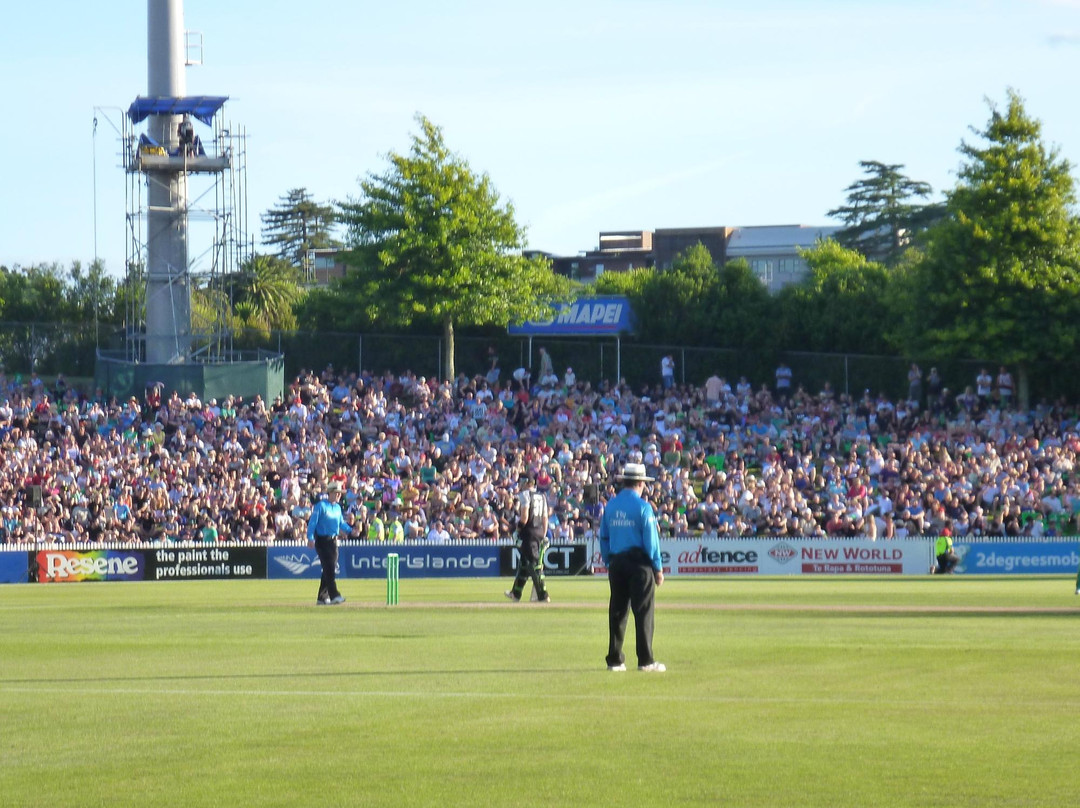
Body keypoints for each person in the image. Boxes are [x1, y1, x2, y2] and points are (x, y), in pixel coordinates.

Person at [599, 462, 665, 672]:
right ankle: (645, 660)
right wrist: (658, 568)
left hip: (617, 562)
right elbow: (651, 542)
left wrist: (609, 561)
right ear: (640, 483)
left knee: (617, 611)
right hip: (639, 564)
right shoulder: (643, 507)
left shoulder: (611, 506)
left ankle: (615, 660)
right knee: (643, 612)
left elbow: (603, 537)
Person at [505, 474, 551, 602]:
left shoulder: (525, 494)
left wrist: (517, 530)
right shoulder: (542, 496)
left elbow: (524, 517)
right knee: (524, 563)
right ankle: (516, 593)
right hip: (539, 532)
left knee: (535, 565)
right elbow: (545, 518)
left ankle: (543, 595)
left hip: (528, 533)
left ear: (526, 483)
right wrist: (543, 534)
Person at [306, 480, 347, 605]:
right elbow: (312, 522)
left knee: (328, 568)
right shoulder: (321, 506)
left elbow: (341, 523)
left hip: (333, 541)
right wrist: (310, 537)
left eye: (340, 493)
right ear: (330, 493)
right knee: (329, 568)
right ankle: (334, 595)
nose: (339, 495)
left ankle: (322, 597)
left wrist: (351, 529)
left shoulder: (338, 507)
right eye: (336, 492)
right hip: (322, 541)